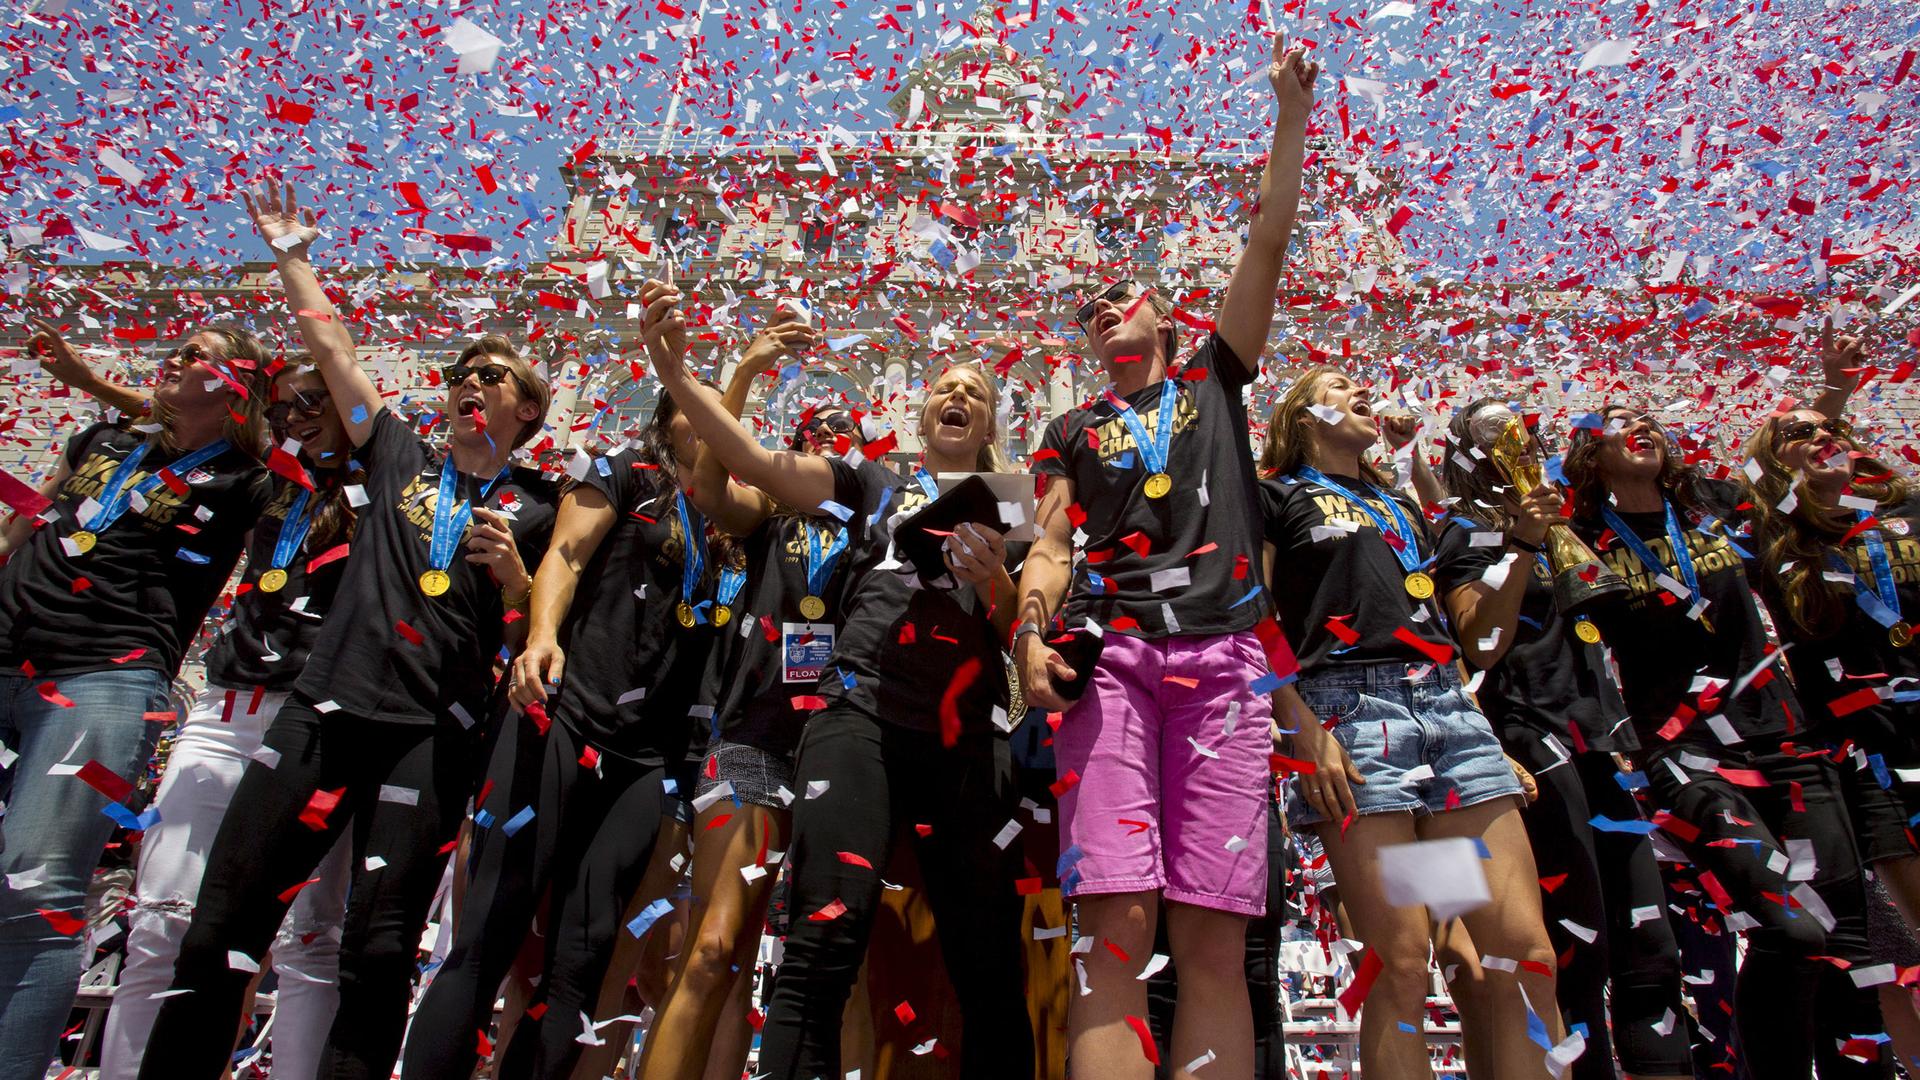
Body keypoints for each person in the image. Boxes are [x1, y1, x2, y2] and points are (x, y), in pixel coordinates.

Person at [138, 181, 557, 1080]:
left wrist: (516, 579)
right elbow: (332, 352)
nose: (471, 385)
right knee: (223, 921)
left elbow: (536, 633)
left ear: (530, 411)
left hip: (433, 734)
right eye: (461, 376)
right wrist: (293, 254)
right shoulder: (397, 451)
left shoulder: (546, 506)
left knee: (377, 952)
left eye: (496, 377)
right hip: (326, 710)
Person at [1012, 33, 1316, 1080]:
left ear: (1168, 317)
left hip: (1226, 668)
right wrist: (1027, 634)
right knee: (1111, 935)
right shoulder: (1069, 426)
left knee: (1214, 945)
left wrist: (1287, 115)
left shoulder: (1215, 384)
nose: (1101, 311)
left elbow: (1267, 241)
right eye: (1085, 309)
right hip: (1118, 661)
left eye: (1119, 296)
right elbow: (1050, 546)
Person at [642, 278, 1035, 1079]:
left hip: (966, 740)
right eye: (945, 389)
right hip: (858, 714)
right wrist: (680, 376)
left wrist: (995, 579)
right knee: (824, 939)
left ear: (990, 424)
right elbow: (754, 462)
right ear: (919, 416)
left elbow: (1019, 633)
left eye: (976, 394)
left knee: (989, 961)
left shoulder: (1019, 509)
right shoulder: (874, 487)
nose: (958, 397)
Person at [27, 341, 362, 1080]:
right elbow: (191, 426)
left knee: (313, 937)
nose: (295, 417)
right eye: (283, 405)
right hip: (221, 713)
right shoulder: (261, 480)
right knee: (160, 922)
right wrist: (92, 383)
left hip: (325, 722)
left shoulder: (395, 482)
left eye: (316, 401)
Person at [403, 375, 718, 1080]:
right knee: (490, 930)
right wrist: (542, 631)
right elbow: (566, 557)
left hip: (648, 757)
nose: (714, 425)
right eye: (698, 410)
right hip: (565, 713)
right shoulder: (623, 473)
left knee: (586, 953)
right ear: (667, 423)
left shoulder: (733, 522)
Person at [1562, 403, 1889, 1078]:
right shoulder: (1580, 535)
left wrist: (1829, 396)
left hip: (1787, 739)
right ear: (1590, 456)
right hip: (1685, 756)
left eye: (1647, 415)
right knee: (1793, 929)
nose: (1640, 424)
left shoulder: (1715, 501)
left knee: (1847, 942)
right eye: (1618, 420)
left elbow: (1787, 469)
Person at [1261, 367, 1565, 1079]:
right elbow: (1255, 615)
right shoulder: (1276, 497)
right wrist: (1302, 726)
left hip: (1451, 721)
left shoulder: (1404, 506)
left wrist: (1522, 543)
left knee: (1525, 955)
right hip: (1355, 725)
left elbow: (1472, 641)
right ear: (1304, 415)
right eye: (1338, 384)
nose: (1362, 389)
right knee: (1400, 962)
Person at [0, 321, 271, 1080]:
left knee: (37, 889)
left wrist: (95, 380)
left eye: (199, 359)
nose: (175, 360)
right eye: (177, 350)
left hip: (102, 679)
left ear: (236, 390)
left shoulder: (247, 479)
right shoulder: (102, 442)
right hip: (3, 650)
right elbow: (28, 513)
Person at [1434, 399, 1693, 1080]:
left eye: (1524, 425)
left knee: (1652, 947)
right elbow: (1480, 645)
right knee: (1579, 949)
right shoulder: (1470, 532)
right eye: (1496, 430)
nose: (1518, 437)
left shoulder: (1573, 525)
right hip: (1529, 740)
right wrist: (1518, 544)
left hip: (1601, 741)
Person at [637, 316, 866, 1080]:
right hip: (758, 740)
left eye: (846, 434)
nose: (829, 443)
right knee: (712, 950)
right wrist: (744, 370)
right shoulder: (770, 514)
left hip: (847, 747)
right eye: (813, 435)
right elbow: (708, 486)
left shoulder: (878, 523)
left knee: (844, 954)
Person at [1741, 405, 1920, 925]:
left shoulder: (1907, 504)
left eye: (1833, 429)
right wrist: (1833, 394)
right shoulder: (1772, 534)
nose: (1824, 437)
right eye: (1802, 433)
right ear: (1772, 464)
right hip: (1868, 753)